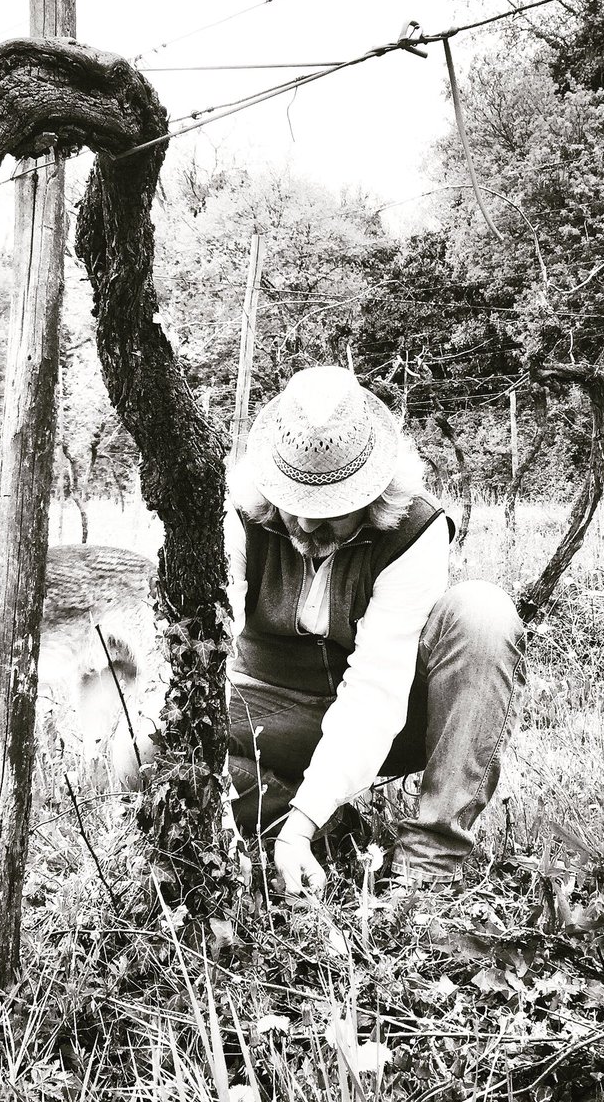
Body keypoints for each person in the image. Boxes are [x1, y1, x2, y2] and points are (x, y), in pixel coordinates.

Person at [225, 365, 525, 895]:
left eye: (334, 510)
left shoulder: (415, 530)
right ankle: (295, 814)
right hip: (261, 713)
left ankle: (427, 868)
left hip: (385, 723)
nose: (310, 525)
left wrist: (301, 824)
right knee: (139, 755)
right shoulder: (236, 519)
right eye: (297, 504)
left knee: (483, 614)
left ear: (377, 492)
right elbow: (207, 652)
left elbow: (375, 690)